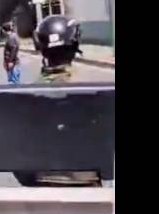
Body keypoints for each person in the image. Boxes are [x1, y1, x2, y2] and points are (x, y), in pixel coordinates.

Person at [13, 15, 99, 187]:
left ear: (41, 47)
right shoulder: (92, 89)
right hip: (86, 187)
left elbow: (16, 153)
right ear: (75, 44)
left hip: (39, 187)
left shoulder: (27, 96)